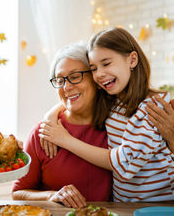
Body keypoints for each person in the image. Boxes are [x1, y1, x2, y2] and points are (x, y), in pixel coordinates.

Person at [40, 27, 174, 202]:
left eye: (106, 63)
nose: (99, 75)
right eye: (94, 68)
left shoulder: (152, 108)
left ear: (132, 60)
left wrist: (65, 140)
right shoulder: (113, 100)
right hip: (124, 205)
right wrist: (50, 115)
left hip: (160, 204)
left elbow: (126, 164)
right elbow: (72, 97)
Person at [12, 43, 112, 209]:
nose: (66, 87)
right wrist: (52, 195)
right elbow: (18, 192)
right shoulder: (42, 133)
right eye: (60, 80)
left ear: (95, 79)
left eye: (75, 77)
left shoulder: (115, 125)